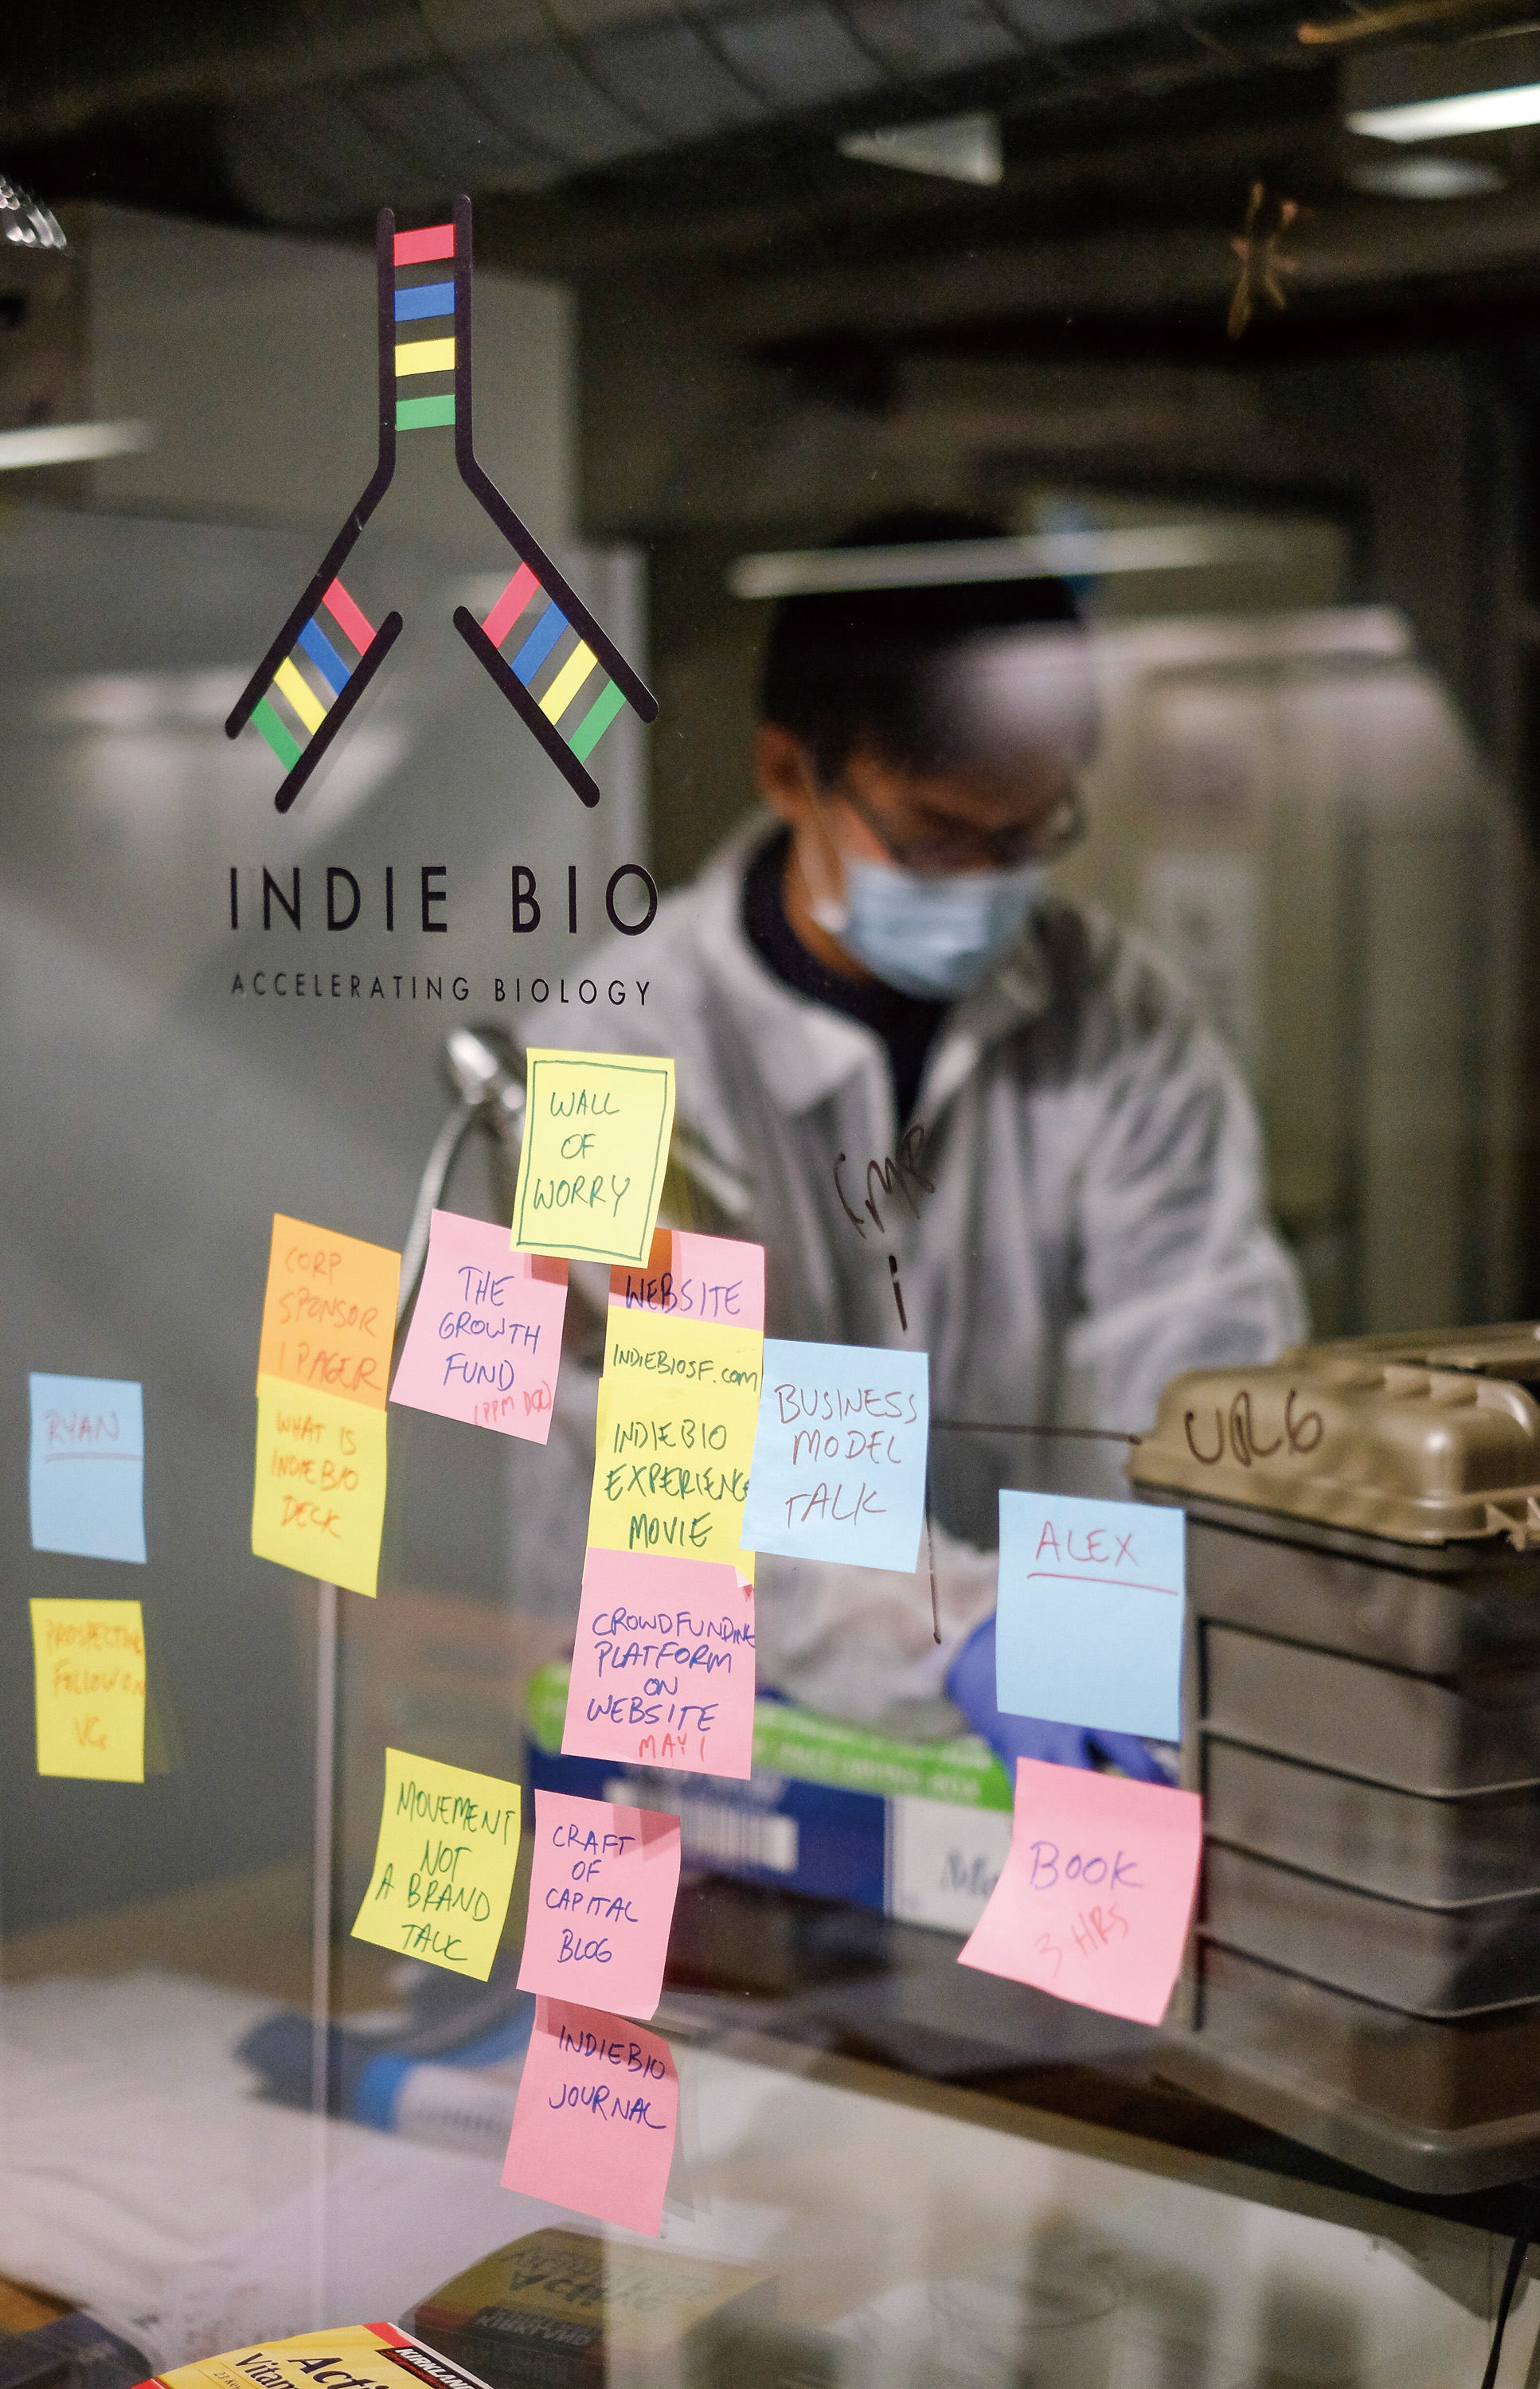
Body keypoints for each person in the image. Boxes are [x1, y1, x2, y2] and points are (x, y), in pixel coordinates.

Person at [512, 510, 1305, 1782]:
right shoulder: (612, 1053)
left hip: (1020, 1717)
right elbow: (667, 1455)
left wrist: (1202, 1615)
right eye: (938, 837)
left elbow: (1205, 1370)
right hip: (697, 1719)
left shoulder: (1121, 1019)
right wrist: (968, 1635)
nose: (985, 883)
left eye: (1027, 836)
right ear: (790, 775)